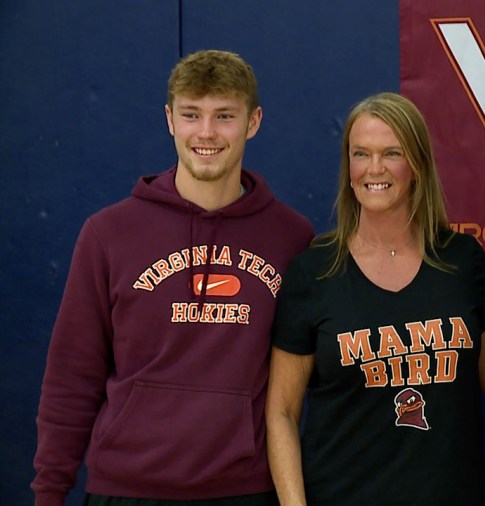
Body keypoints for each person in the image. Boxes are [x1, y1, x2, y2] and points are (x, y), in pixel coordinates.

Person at [31, 49, 315, 506]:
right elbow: (72, 377)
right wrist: (49, 492)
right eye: (191, 115)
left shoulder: (292, 237)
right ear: (169, 120)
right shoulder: (109, 233)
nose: (206, 132)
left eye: (225, 115)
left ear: (253, 121)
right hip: (127, 489)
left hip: (243, 489)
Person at [266, 92, 485, 506]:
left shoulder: (462, 261)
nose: (374, 169)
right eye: (361, 153)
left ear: (416, 165)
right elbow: (282, 413)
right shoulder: (314, 271)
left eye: (391, 153)